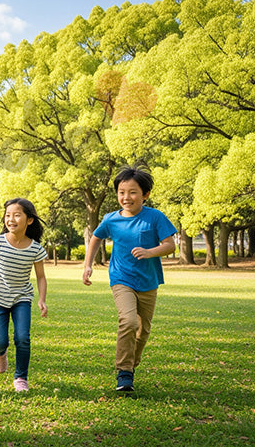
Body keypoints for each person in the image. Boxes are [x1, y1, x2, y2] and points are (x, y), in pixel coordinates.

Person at [82, 166, 176, 394]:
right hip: (121, 278)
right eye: (121, 192)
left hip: (149, 281)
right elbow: (95, 237)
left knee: (143, 331)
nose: (126, 197)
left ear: (145, 194)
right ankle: (124, 372)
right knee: (129, 321)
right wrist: (87, 265)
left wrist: (149, 252)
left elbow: (170, 244)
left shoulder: (155, 217)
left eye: (132, 192)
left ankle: (130, 365)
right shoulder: (111, 219)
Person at [0, 197, 48, 393]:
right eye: (7, 215)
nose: (11, 219)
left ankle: (21, 377)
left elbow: (40, 277)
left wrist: (41, 299)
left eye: (16, 215)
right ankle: (0, 352)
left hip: (21, 298)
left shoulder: (35, 248)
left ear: (29, 220)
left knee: (23, 337)